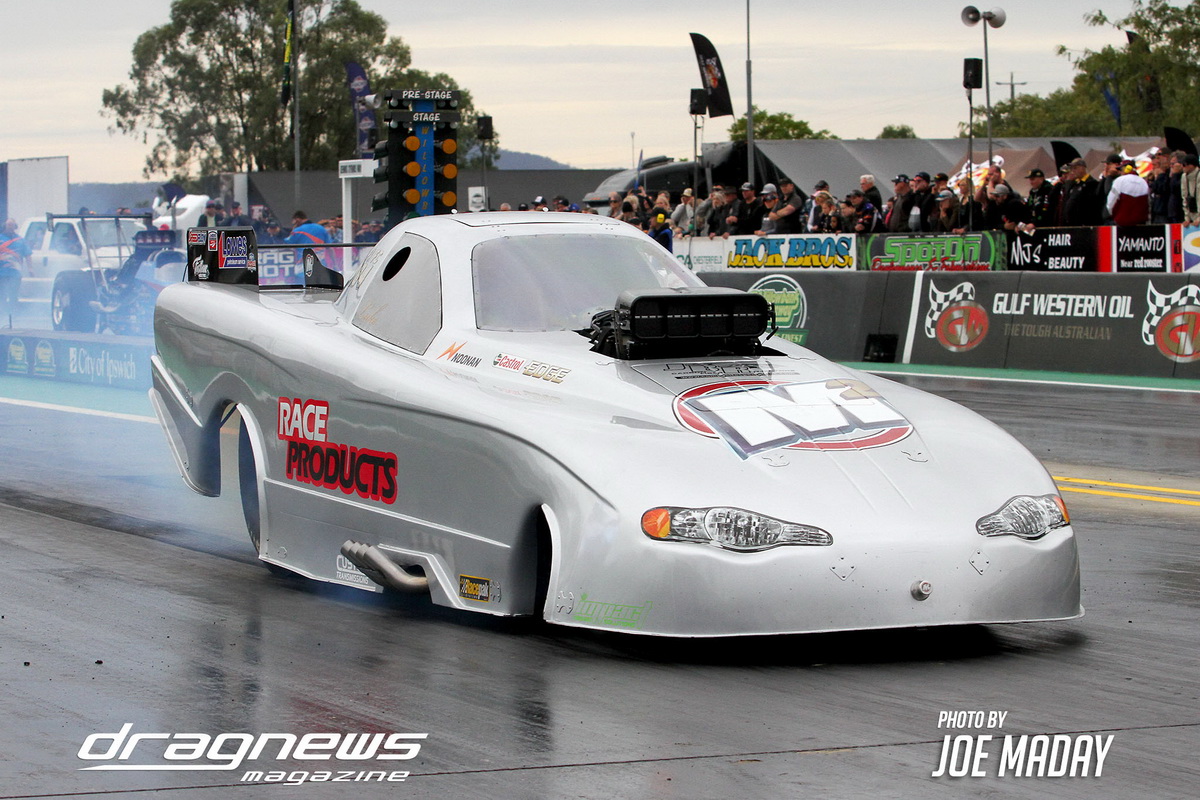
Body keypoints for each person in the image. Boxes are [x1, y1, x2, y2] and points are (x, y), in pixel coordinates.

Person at [1, 219, 32, 325]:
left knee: (13, 294)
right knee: (2, 295)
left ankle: (13, 314)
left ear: (15, 226)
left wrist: (30, 268)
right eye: (8, 225)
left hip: (15, 273)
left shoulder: (20, 240)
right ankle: (3, 314)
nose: (10, 227)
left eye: (12, 225)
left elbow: (27, 254)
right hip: (1, 273)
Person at [1060, 158, 1103, 226]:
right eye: (1072, 169)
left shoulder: (1091, 183)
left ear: (1082, 168)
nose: (1073, 171)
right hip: (1072, 224)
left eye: (1075, 168)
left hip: (1084, 224)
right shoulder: (1075, 184)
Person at [1180, 153, 1200, 226]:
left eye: (1184, 165)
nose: (1182, 167)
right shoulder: (1184, 177)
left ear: (1191, 165)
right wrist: (1187, 218)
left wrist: (1199, 218)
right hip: (1192, 215)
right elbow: (1184, 197)